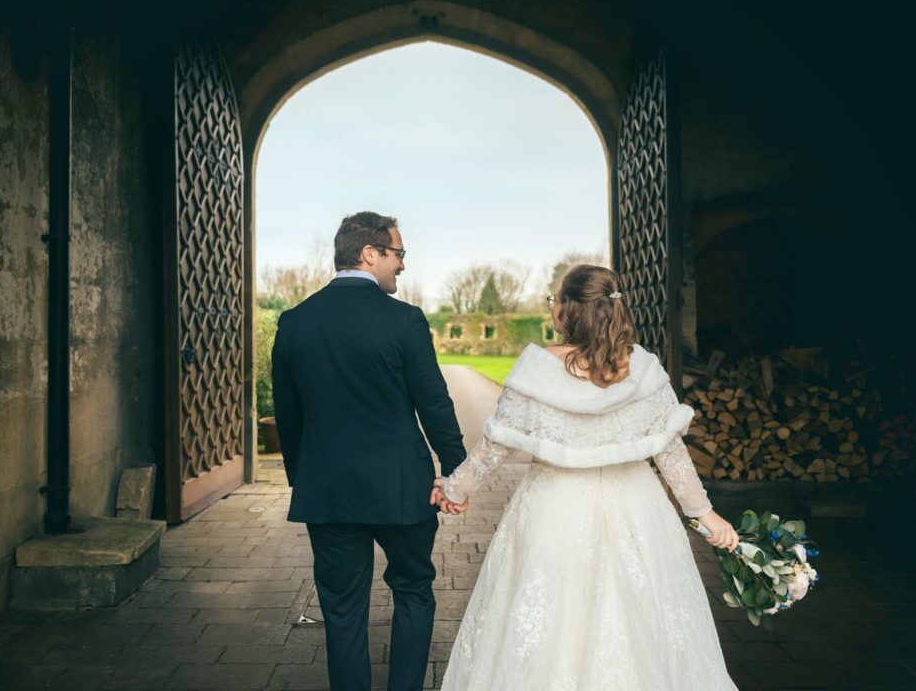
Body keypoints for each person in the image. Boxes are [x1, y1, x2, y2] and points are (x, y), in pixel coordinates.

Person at [433, 264, 740, 690]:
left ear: (565, 312)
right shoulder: (645, 370)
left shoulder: (537, 369)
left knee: (550, 629)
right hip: (637, 511)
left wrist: (453, 488)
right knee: (642, 626)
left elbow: (494, 449)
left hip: (554, 512)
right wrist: (707, 517)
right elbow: (673, 456)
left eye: (554, 299)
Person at [271, 211, 468, 691]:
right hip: (402, 490)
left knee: (341, 610)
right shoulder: (404, 321)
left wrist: (306, 479)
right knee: (414, 590)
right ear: (369, 253)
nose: (402, 265)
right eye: (398, 254)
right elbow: (434, 404)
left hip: (329, 492)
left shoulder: (295, 322)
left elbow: (288, 416)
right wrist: (458, 473)